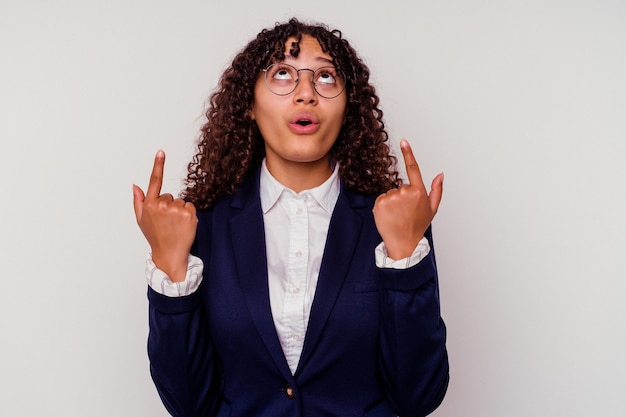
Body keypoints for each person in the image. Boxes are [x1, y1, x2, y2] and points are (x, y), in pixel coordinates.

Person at [132, 18, 449, 417]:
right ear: (248, 103)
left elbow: (417, 397)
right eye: (282, 73)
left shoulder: (396, 219)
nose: (306, 94)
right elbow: (189, 405)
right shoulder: (202, 224)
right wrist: (169, 266)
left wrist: (404, 255)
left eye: (326, 77)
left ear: (348, 105)